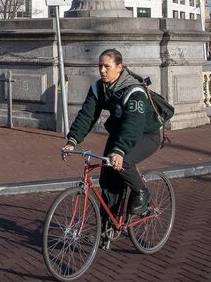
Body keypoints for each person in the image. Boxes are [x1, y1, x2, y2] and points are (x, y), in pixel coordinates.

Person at [62, 48, 163, 218]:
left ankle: (141, 192)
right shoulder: (98, 88)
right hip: (120, 133)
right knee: (108, 177)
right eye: (99, 66)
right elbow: (87, 115)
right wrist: (72, 140)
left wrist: (119, 150)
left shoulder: (134, 91)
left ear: (119, 67)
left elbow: (133, 125)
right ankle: (106, 229)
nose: (102, 70)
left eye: (106, 66)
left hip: (146, 134)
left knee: (123, 163)